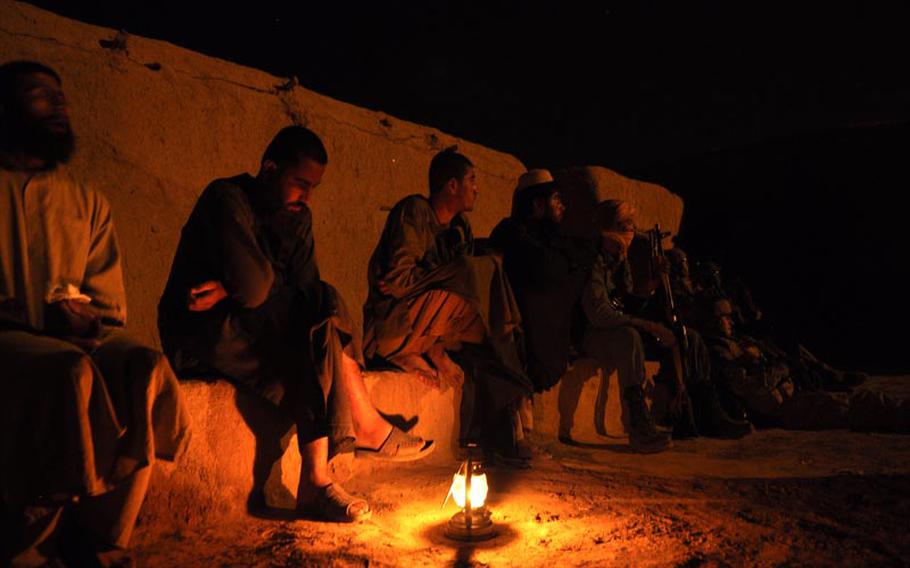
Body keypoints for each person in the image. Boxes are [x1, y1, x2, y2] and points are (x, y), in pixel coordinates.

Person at [158, 126, 433, 523]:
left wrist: (230, 286)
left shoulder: (298, 217)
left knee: (324, 301)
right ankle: (353, 442)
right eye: (299, 183)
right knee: (310, 319)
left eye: (313, 187)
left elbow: (303, 289)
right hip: (203, 332)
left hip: (258, 325)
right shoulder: (227, 199)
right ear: (269, 169)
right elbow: (255, 289)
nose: (306, 196)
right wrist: (234, 289)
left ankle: (320, 475)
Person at [0, 60, 191, 567]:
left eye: (61, 96)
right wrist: (33, 315)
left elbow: (105, 303)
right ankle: (30, 542)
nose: (59, 106)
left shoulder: (86, 201)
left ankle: (104, 535)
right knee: (70, 371)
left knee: (143, 366)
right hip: (9, 340)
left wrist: (86, 317)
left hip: (72, 339)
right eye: (41, 95)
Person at [363, 147, 533, 465]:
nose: (477, 188)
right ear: (452, 185)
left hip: (428, 323)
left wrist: (436, 279)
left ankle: (507, 403)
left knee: (486, 287)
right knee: (477, 270)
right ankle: (431, 353)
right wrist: (443, 276)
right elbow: (399, 280)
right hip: (392, 325)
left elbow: (449, 291)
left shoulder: (460, 228)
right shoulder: (415, 211)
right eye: (472, 179)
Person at [581, 201, 751, 452]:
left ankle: (704, 412)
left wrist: (652, 284)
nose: (631, 233)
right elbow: (599, 314)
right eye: (627, 227)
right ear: (611, 230)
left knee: (687, 337)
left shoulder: (618, 260)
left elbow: (628, 302)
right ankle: (638, 427)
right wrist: (647, 325)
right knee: (630, 337)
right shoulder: (591, 261)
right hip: (595, 334)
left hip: (619, 327)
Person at [701, 298, 908, 433]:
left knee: (858, 402)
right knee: (854, 408)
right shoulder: (719, 353)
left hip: (792, 396)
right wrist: (782, 368)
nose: (731, 321)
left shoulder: (735, 343)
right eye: (725, 317)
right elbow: (752, 389)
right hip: (784, 409)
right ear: (713, 321)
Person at [489, 169, 594, 393]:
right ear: (538, 205)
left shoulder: (550, 238)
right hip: (521, 342)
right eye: (556, 199)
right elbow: (547, 270)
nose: (562, 206)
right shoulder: (510, 233)